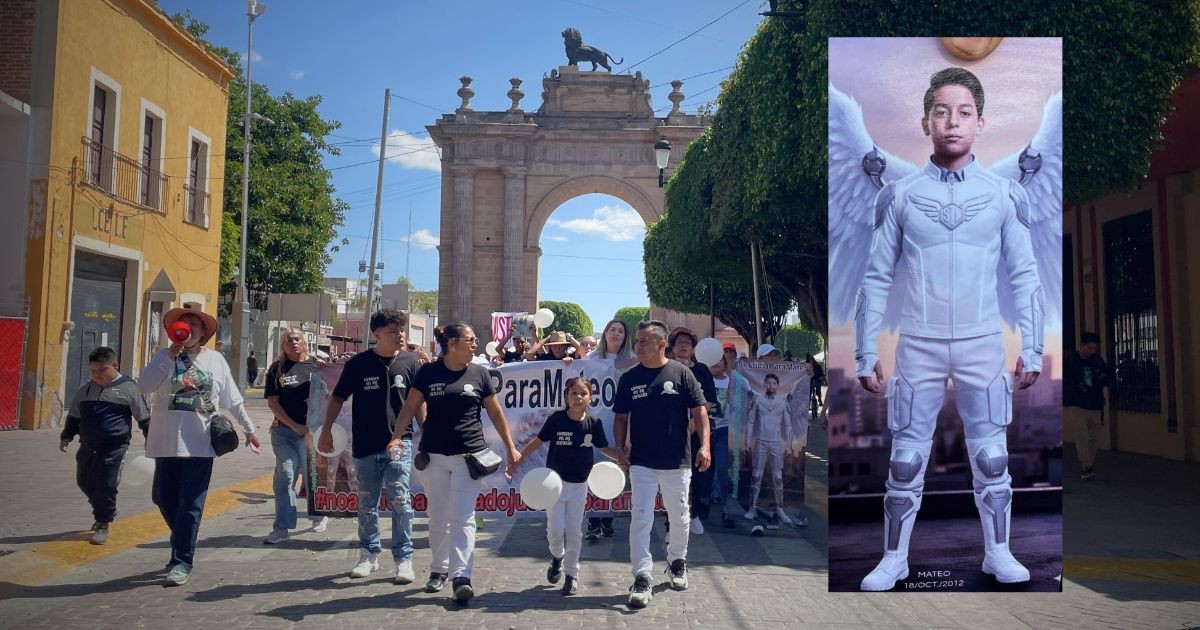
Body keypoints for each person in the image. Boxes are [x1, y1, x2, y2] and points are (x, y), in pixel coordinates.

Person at [854, 67, 1044, 591]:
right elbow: (873, 278)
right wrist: (865, 354)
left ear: (980, 123)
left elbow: (1026, 274)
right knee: (907, 459)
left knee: (992, 454)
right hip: (918, 342)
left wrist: (1032, 346)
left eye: (963, 112)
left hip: (984, 342)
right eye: (942, 112)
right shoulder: (898, 196)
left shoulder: (1007, 195)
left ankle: (999, 553)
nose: (952, 122)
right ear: (925, 122)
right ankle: (894, 559)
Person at [387, 322, 522, 604]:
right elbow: (410, 407)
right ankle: (439, 569)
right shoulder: (428, 373)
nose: (475, 343)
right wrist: (396, 437)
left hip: (469, 458)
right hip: (434, 456)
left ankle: (462, 577)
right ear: (451, 344)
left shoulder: (480, 373)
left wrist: (510, 447)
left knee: (462, 517)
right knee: (437, 516)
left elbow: (496, 414)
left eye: (476, 339)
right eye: (470, 339)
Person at [139, 304, 260, 586]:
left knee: (190, 506)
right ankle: (182, 538)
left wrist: (249, 429)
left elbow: (232, 399)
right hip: (165, 444)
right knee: (163, 499)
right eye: (184, 322)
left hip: (199, 445)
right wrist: (168, 358)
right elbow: (144, 387)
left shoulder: (215, 360)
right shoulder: (162, 357)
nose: (188, 327)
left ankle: (182, 560)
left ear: (203, 332)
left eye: (195, 323)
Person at [317, 309, 423, 584]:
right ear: (376, 335)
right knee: (367, 503)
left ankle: (404, 559)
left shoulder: (411, 364)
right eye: (392, 331)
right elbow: (338, 398)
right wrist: (326, 430)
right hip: (364, 445)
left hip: (400, 442)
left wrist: (430, 433)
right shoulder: (358, 364)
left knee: (400, 500)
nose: (399, 335)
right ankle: (369, 554)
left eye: (401, 330)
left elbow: (418, 403)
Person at [613, 320, 710, 609]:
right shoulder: (629, 378)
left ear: (660, 344)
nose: (637, 346)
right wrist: (620, 448)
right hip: (642, 461)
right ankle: (641, 575)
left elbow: (700, 412)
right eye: (637, 341)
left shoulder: (682, 374)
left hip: (677, 461)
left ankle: (677, 561)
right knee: (641, 517)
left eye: (644, 341)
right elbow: (620, 417)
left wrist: (704, 446)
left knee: (679, 516)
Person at [509, 376, 621, 595]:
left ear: (590, 397)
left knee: (574, 531)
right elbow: (537, 442)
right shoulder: (557, 419)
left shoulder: (594, 423)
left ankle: (571, 574)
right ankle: (557, 558)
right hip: (554, 485)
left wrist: (621, 458)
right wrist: (518, 458)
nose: (578, 397)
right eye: (573, 393)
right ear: (566, 397)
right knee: (556, 530)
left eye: (583, 393)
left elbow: (604, 447)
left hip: (580, 485)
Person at [59, 346, 150, 545]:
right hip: (88, 445)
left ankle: (103, 522)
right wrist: (67, 435)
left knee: (106, 485)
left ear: (115, 366)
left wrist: (150, 438)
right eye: (93, 371)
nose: (97, 375)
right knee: (84, 481)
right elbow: (74, 415)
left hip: (114, 447)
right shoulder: (86, 390)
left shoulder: (130, 389)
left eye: (102, 370)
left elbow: (144, 417)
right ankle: (104, 507)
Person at [263, 329, 326, 545]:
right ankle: (282, 527)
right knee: (286, 475)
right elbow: (273, 402)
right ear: (283, 346)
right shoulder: (276, 369)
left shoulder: (316, 366)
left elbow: (331, 391)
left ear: (304, 342)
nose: (293, 343)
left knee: (313, 476)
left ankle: (318, 515)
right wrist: (293, 425)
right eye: (288, 340)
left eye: (297, 339)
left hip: (312, 432)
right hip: (285, 432)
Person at [584, 318, 633, 541]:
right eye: (612, 330)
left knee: (615, 469)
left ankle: (608, 519)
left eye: (620, 331)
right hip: (595, 422)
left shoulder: (632, 362)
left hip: (620, 423)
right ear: (604, 334)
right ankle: (593, 521)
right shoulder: (591, 359)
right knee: (592, 470)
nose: (615, 334)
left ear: (625, 337)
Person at [666, 327, 717, 536]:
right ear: (673, 347)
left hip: (697, 431)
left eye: (687, 342)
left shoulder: (702, 370)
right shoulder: (666, 367)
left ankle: (693, 514)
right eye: (679, 342)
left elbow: (710, 400)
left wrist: (697, 417)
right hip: (671, 431)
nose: (684, 346)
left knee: (697, 475)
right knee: (672, 477)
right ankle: (671, 524)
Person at [743, 374, 795, 525]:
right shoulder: (758, 400)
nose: (771, 385)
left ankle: (780, 508)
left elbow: (788, 425)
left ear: (777, 385)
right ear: (765, 384)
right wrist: (747, 442)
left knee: (778, 477)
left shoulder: (782, 402)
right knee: (756, 476)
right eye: (769, 383)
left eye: (774, 383)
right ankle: (752, 508)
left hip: (776, 443)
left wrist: (790, 446)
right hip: (761, 441)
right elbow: (751, 421)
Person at [707, 343, 747, 527]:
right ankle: (700, 509)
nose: (716, 363)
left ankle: (727, 509)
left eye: (720, 360)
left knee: (724, 471)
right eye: (712, 360)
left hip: (725, 432)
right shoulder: (701, 378)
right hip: (703, 430)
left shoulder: (735, 379)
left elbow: (751, 394)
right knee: (703, 474)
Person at [1064, 332, 1109, 481]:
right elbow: (1065, 382)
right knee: (1082, 436)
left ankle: (1088, 465)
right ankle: (1086, 467)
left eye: (1094, 348)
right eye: (1089, 348)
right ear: (1082, 346)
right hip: (1076, 404)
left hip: (1094, 403)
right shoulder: (1070, 361)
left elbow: (1107, 377)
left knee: (1093, 438)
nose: (1092, 351)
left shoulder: (1097, 361)